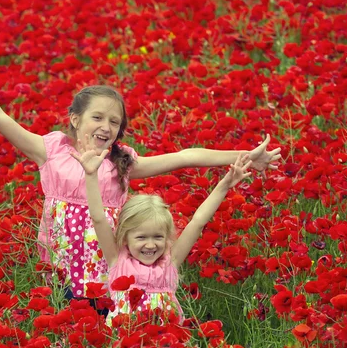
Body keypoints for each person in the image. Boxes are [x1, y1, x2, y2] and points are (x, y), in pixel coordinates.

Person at [0, 41, 281, 306]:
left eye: (115, 122)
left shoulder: (123, 161)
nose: (107, 126)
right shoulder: (48, 150)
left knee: (107, 320)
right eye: (98, 117)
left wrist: (246, 155)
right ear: (75, 119)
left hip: (110, 263)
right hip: (63, 260)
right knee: (65, 318)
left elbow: (185, 155)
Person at [73, 134, 252, 324]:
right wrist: (91, 175)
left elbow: (197, 222)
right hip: (126, 347)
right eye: (141, 237)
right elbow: (98, 218)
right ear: (125, 237)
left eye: (158, 236)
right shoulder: (118, 261)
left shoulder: (170, 262)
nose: (150, 245)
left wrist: (224, 185)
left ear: (167, 237)